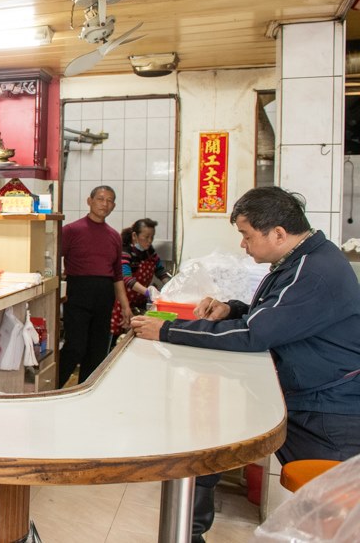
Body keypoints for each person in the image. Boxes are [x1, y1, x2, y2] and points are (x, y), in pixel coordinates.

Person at [130, 186, 360, 543]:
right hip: (306, 394)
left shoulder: (313, 271)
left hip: (328, 409)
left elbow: (255, 334)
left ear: (279, 233)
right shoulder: (299, 261)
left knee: (336, 514)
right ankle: (189, 532)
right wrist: (232, 308)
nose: (243, 244)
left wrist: (167, 330)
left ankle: (188, 531)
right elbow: (269, 315)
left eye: (246, 235)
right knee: (210, 448)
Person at [57, 185, 132, 386]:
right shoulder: (71, 230)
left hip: (105, 295)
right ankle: (54, 388)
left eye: (109, 201)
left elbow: (117, 276)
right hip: (78, 292)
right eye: (100, 199)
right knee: (75, 347)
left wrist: (125, 306)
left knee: (98, 349)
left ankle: (86, 390)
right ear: (89, 201)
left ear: (114, 206)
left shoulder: (114, 236)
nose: (104, 204)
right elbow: (52, 258)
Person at [108, 217, 171, 334]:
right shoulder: (125, 253)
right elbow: (126, 278)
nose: (149, 241)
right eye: (146, 237)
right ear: (134, 236)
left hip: (139, 302)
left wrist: (172, 285)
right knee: (118, 339)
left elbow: (161, 272)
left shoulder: (150, 253)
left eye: (152, 237)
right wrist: (148, 292)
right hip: (121, 304)